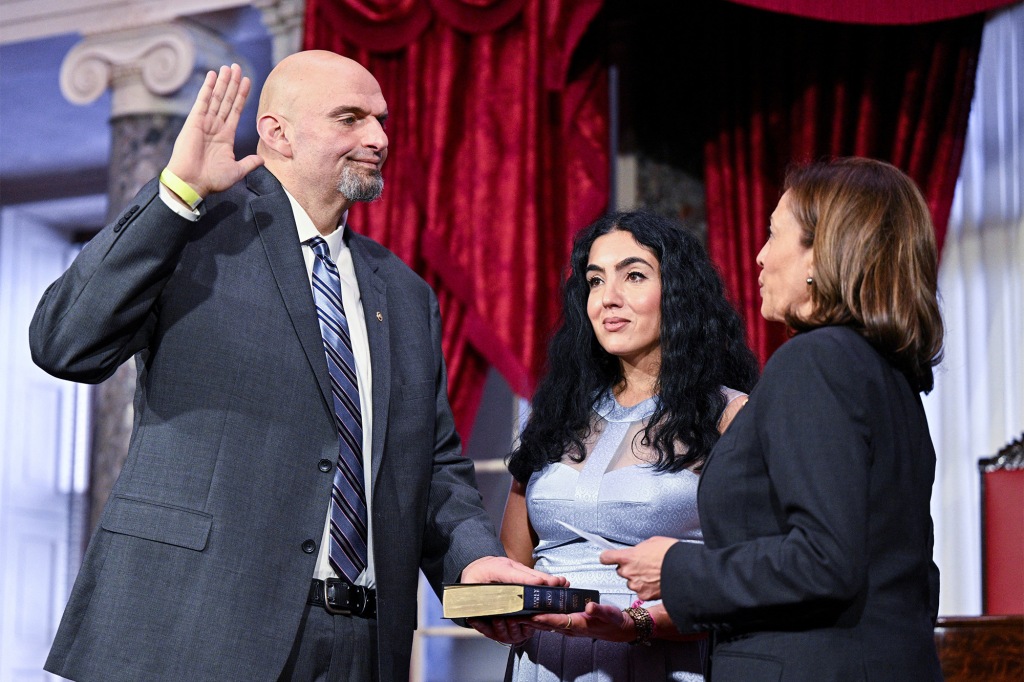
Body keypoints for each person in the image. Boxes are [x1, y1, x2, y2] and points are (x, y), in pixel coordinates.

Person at [29, 52, 563, 682]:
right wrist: (176, 194)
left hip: (361, 643)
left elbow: (435, 466)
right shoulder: (195, 232)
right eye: (351, 118)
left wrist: (474, 561)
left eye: (382, 121)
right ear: (277, 131)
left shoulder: (403, 292)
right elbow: (65, 343)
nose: (378, 139)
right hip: (196, 629)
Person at [603, 158, 945, 681]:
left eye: (772, 234)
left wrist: (675, 568)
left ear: (820, 253)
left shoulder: (816, 361)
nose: (759, 257)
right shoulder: (889, 374)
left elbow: (825, 560)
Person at [478, 210, 759, 681]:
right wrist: (497, 612)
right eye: (594, 280)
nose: (608, 298)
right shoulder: (556, 415)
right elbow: (514, 567)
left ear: (678, 291)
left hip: (661, 661)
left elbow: (749, 581)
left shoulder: (732, 416)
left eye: (633, 276)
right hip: (542, 666)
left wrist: (635, 625)